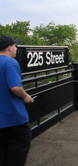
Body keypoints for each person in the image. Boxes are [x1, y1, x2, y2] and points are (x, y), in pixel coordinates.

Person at [0, 36, 34, 166]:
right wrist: (26, 97)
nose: (16, 48)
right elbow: (14, 87)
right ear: (9, 48)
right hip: (13, 119)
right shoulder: (10, 62)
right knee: (16, 156)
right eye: (15, 46)